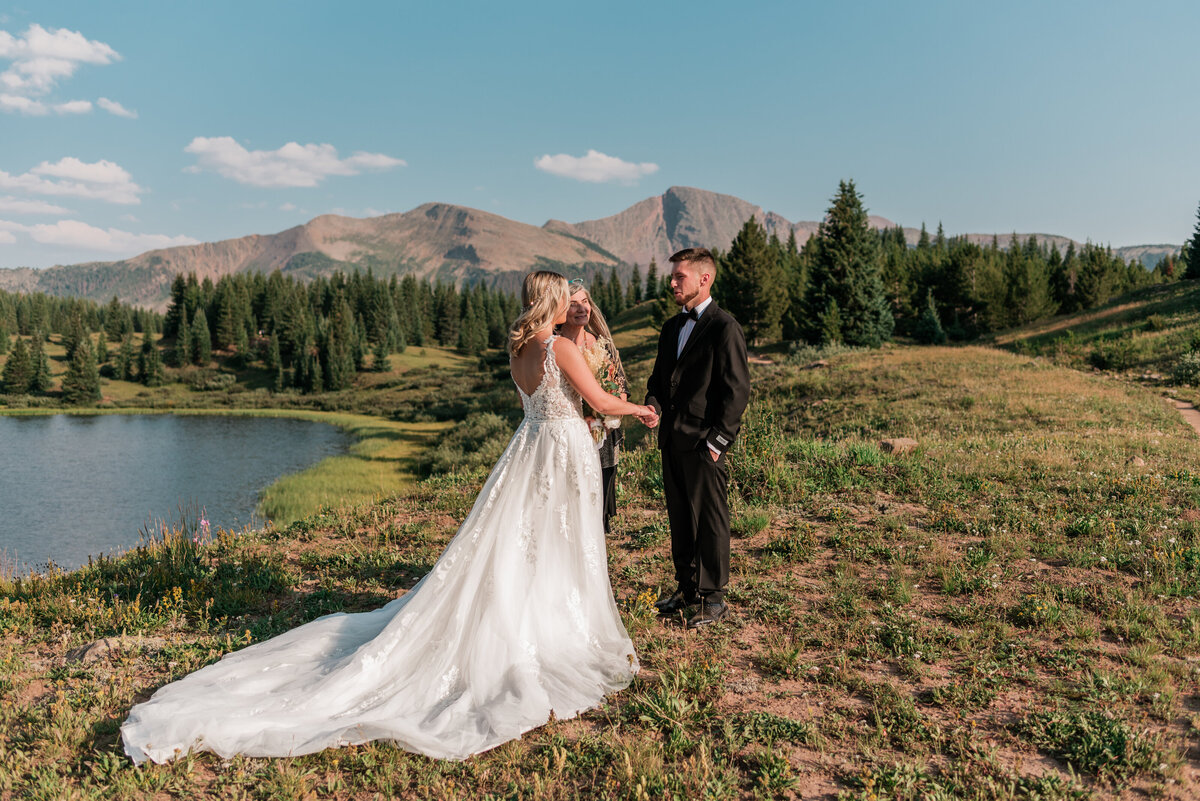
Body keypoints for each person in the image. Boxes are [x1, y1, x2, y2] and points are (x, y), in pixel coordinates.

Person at [121, 270, 657, 765]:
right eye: (568, 294)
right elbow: (598, 401)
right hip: (561, 450)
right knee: (557, 544)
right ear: (554, 301)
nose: (575, 301)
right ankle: (552, 631)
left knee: (523, 543)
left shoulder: (521, 347)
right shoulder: (559, 345)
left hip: (529, 448)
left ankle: (530, 618)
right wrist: (639, 410)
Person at [644, 248, 750, 629]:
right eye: (672, 277)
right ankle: (687, 589)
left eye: (679, 277)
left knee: (710, 519)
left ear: (704, 279)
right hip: (671, 441)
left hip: (704, 444)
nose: (672, 283)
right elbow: (658, 380)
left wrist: (716, 442)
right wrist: (652, 406)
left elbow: (736, 391)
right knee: (680, 518)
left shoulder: (725, 327)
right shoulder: (671, 328)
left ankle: (714, 597)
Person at [557, 280, 629, 533]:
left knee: (601, 488)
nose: (581, 308)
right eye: (572, 304)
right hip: (571, 432)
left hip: (604, 433)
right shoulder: (554, 346)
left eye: (585, 302)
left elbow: (621, 385)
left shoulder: (603, 344)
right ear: (559, 310)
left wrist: (611, 412)